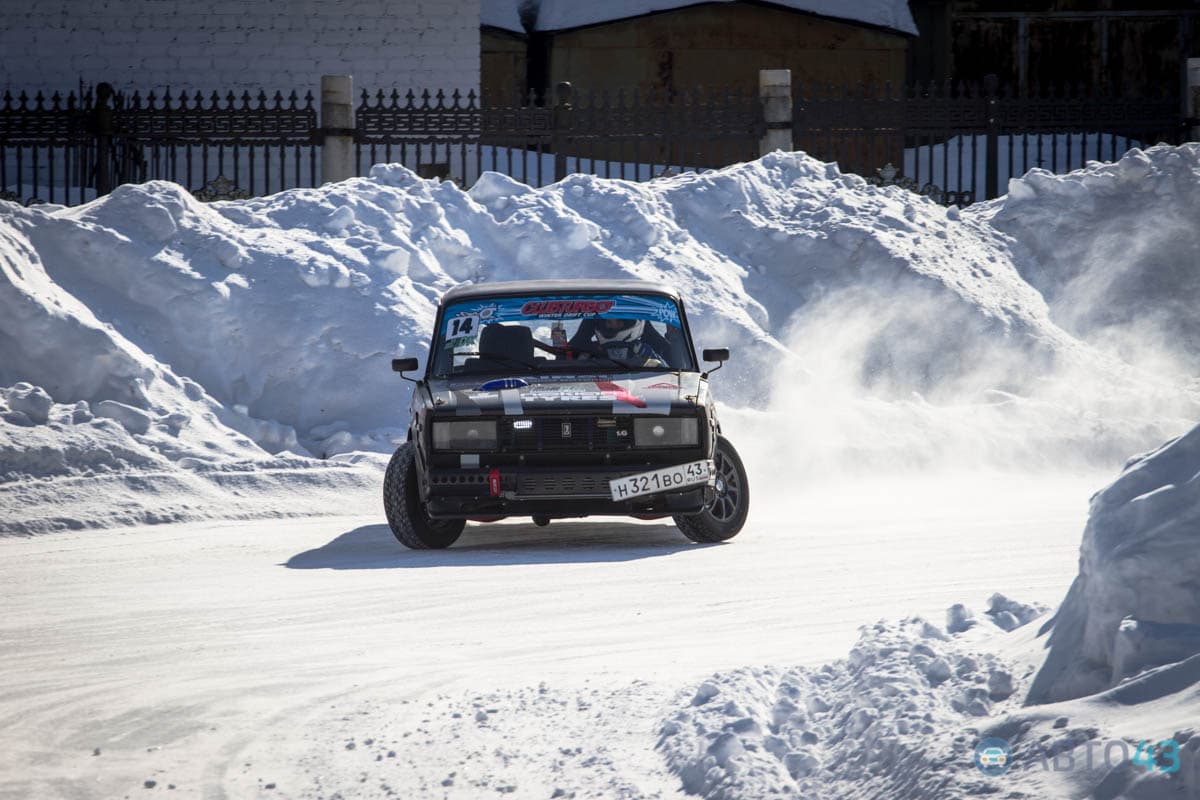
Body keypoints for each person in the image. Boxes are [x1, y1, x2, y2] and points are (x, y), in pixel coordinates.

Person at [567, 317, 669, 367]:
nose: (612, 326)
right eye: (608, 322)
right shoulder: (593, 350)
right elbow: (576, 372)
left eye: (619, 322)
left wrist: (648, 361)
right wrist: (584, 359)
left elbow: (664, 370)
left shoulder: (641, 349)